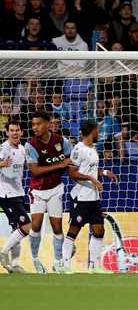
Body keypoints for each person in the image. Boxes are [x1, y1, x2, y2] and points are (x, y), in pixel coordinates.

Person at [62, 120, 117, 273]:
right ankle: (65, 264)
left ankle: (94, 266)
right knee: (74, 230)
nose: (98, 133)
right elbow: (72, 173)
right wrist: (93, 179)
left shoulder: (93, 148)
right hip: (81, 197)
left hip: (94, 198)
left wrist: (104, 173)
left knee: (99, 230)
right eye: (97, 130)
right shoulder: (78, 150)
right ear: (92, 131)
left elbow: (91, 169)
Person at [25, 110, 73, 273]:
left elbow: (72, 159)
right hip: (38, 190)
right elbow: (35, 171)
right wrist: (59, 165)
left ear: (48, 124)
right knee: (36, 225)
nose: (35, 127)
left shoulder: (61, 141)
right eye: (33, 124)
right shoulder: (31, 144)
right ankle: (35, 260)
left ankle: (58, 262)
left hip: (56, 188)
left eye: (38, 124)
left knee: (57, 227)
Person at [0, 121, 31, 273]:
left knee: (16, 229)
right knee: (26, 227)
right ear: (6, 133)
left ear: (21, 132)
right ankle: (3, 253)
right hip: (6, 194)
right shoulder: (4, 147)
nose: (14, 133)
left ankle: (14, 264)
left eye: (17, 130)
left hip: (18, 192)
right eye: (11, 130)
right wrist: (2, 164)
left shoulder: (22, 149)